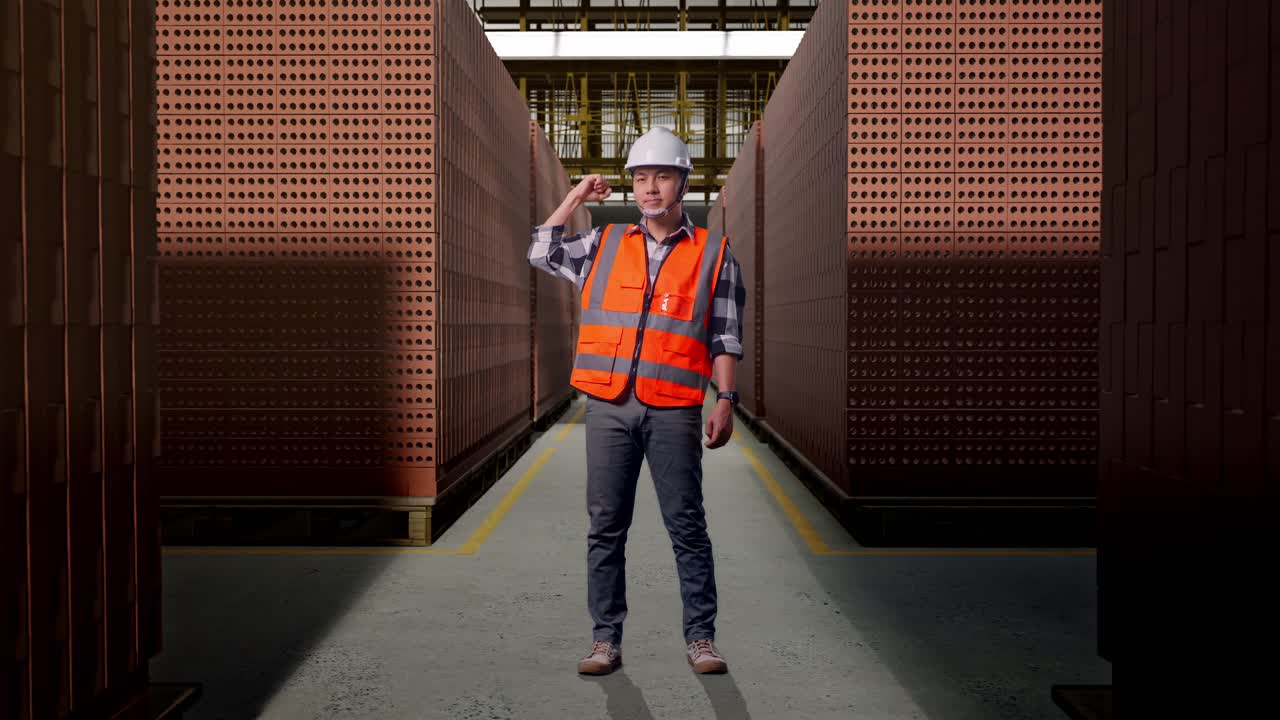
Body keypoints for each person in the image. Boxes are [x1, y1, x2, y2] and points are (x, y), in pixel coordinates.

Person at [528, 127, 746, 676]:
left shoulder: (714, 253)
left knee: (686, 526)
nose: (650, 188)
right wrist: (577, 197)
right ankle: (605, 640)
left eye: (662, 176)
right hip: (608, 405)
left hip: (674, 406)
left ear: (682, 182)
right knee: (606, 526)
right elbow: (540, 249)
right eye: (641, 178)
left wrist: (727, 399)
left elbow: (725, 334)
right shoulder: (604, 244)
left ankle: (701, 639)